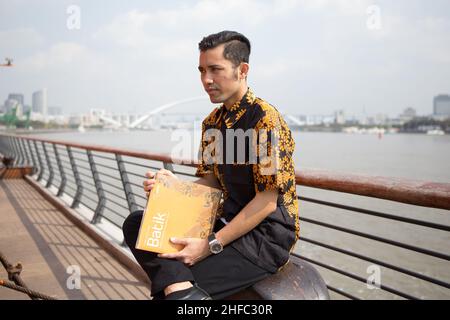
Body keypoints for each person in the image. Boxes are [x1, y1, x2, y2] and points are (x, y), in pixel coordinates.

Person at [122, 30, 299, 300]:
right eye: (202, 70)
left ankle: (181, 291)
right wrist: (171, 189)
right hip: (224, 219)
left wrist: (209, 245)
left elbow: (266, 202)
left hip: (263, 238)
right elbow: (212, 181)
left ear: (242, 70)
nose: (206, 80)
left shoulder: (264, 120)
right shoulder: (213, 122)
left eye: (215, 70)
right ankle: (183, 290)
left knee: (169, 290)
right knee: (137, 224)